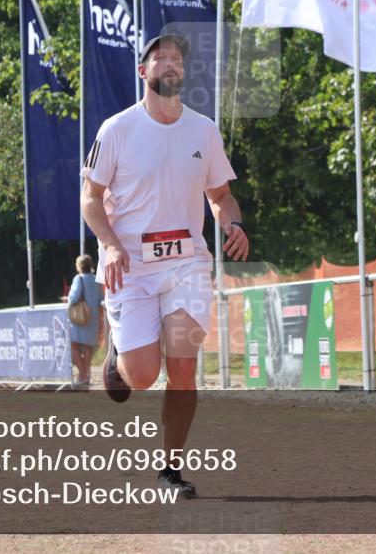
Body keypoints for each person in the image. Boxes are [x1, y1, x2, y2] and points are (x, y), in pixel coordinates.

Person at [80, 33, 249, 498]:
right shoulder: (116, 130)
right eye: (161, 57)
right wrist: (110, 245)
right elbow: (90, 198)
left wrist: (232, 223)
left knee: (183, 368)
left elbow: (220, 196)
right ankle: (121, 352)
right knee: (142, 374)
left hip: (187, 265)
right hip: (129, 267)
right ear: (144, 72)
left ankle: (169, 471)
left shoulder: (204, 131)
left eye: (177, 57)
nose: (171, 63)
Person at [68, 254, 104, 388]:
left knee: (74, 345)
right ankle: (85, 375)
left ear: (79, 266)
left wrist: (68, 301)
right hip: (93, 315)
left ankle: (82, 374)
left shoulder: (79, 279)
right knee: (88, 346)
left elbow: (73, 298)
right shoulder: (96, 280)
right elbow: (101, 298)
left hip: (80, 315)